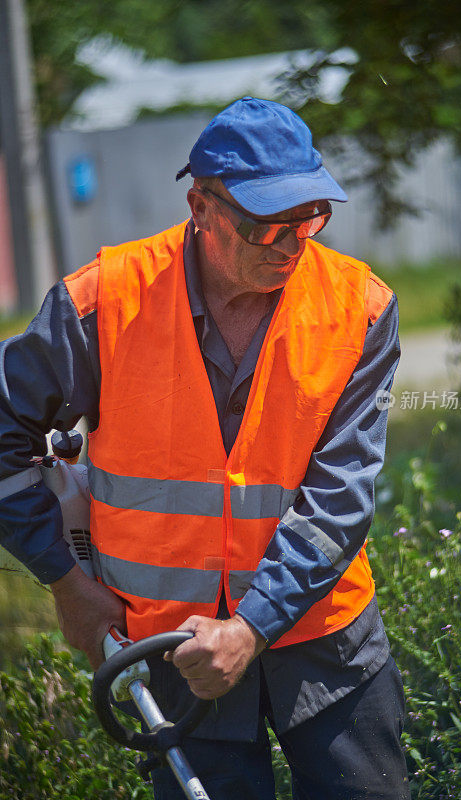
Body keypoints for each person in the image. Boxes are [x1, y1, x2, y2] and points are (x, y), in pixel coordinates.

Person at [0, 96, 410, 799]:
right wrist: (66, 583)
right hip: (173, 650)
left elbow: (340, 495)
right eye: (263, 224)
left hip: (326, 641)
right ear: (201, 206)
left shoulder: (360, 308)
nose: (291, 243)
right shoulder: (101, 305)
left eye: (310, 215)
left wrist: (250, 626)